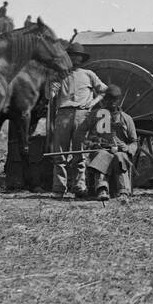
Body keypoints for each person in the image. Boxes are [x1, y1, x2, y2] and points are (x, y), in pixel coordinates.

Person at [49, 42, 108, 198]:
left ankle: (79, 187)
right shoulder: (60, 75)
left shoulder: (88, 74)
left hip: (83, 115)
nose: (76, 59)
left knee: (79, 153)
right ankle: (59, 188)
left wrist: (92, 103)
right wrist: (51, 88)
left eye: (78, 56)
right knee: (60, 153)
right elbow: (50, 96)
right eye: (72, 56)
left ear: (82, 59)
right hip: (63, 115)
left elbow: (103, 90)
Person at [84, 84, 139, 201]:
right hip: (101, 150)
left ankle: (123, 192)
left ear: (119, 100)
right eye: (109, 99)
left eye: (115, 99)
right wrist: (96, 142)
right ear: (105, 100)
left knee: (120, 157)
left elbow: (134, 142)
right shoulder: (97, 116)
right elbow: (88, 139)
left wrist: (127, 148)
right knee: (103, 155)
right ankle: (102, 189)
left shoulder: (127, 119)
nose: (112, 102)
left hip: (121, 152)